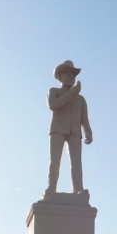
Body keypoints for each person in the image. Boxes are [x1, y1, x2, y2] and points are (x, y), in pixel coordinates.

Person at [46, 60, 93, 195]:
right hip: (58, 129)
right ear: (60, 77)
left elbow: (84, 118)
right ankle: (51, 188)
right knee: (55, 160)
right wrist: (71, 93)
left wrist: (88, 131)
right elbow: (53, 105)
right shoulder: (54, 91)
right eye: (68, 75)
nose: (71, 78)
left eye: (73, 76)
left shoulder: (80, 99)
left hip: (75, 132)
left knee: (76, 162)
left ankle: (78, 188)